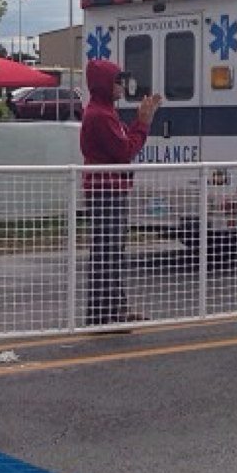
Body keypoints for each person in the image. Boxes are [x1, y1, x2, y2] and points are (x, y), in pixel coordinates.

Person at [80, 59, 161, 326]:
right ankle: (104, 312)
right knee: (107, 251)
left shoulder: (104, 112)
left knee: (112, 251)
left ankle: (114, 308)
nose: (121, 87)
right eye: (117, 81)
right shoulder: (100, 115)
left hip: (109, 189)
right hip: (106, 190)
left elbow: (123, 142)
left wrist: (138, 124)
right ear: (104, 85)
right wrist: (143, 124)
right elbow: (125, 151)